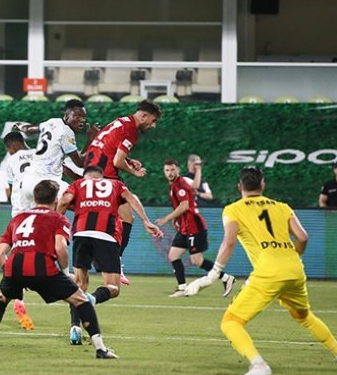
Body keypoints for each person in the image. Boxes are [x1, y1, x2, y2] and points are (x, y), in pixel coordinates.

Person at [184, 166, 337, 375]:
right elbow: (303, 237)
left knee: (230, 322)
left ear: (240, 187)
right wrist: (290, 259)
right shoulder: (282, 207)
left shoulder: (233, 209)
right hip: (294, 269)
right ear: (263, 186)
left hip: (268, 271)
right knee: (305, 317)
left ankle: (258, 365)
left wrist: (214, 274)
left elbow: (229, 242)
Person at [0, 180, 118, 359]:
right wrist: (65, 274)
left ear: (35, 198)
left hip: (13, 266)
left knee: (2, 298)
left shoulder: (17, 219)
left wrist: (13, 272)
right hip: (42, 268)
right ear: (56, 199)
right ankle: (101, 349)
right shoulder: (58, 218)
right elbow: (60, 248)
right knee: (81, 299)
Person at [56, 166, 162, 344]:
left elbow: (65, 201)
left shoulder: (77, 184)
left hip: (81, 235)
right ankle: (93, 299)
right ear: (101, 176)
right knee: (113, 288)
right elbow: (131, 198)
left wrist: (55, 223)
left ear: (86, 177)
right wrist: (146, 220)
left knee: (80, 283)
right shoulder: (115, 184)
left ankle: (75, 326)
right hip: (105, 236)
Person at [84, 100, 163, 285]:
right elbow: (118, 162)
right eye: (153, 120)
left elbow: (110, 148)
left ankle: (103, 259)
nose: (153, 125)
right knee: (127, 218)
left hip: (92, 171)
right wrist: (134, 171)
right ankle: (113, 262)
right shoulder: (131, 130)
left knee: (107, 219)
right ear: (143, 116)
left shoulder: (120, 122)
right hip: (106, 176)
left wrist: (129, 159)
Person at [156, 158, 234, 298]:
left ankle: (226, 277)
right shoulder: (173, 185)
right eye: (167, 170)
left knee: (196, 260)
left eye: (172, 169)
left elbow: (184, 206)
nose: (170, 172)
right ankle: (182, 288)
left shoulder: (180, 184)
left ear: (178, 170)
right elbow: (184, 203)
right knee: (173, 255)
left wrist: (166, 218)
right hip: (184, 228)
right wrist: (175, 219)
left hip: (194, 226)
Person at [15, 99, 91, 211]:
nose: (81, 120)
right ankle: (58, 224)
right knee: (83, 203)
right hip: (47, 185)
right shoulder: (66, 132)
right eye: (77, 116)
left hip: (28, 182)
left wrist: (22, 126)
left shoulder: (52, 122)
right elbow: (80, 163)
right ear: (66, 114)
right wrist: (91, 139)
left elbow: (29, 129)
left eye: (83, 117)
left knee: (35, 221)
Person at [1, 131, 37, 330]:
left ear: (10, 147)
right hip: (41, 211)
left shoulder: (11, 160)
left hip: (19, 215)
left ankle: (17, 298)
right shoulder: (39, 154)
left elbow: (10, 188)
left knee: (16, 257)